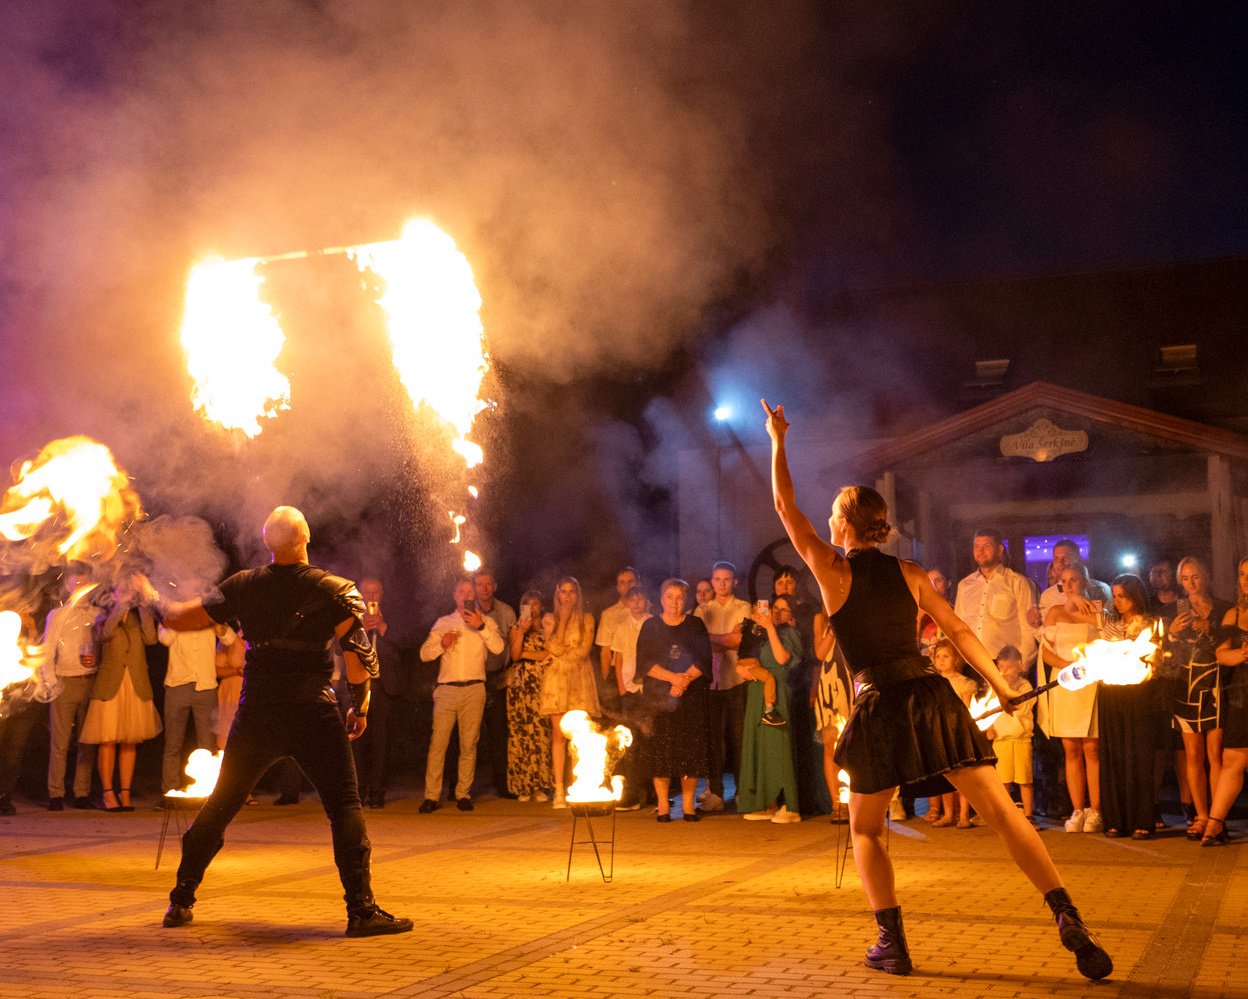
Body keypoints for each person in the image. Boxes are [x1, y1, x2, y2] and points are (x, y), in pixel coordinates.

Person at [763, 398, 1111, 981]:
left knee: (868, 830)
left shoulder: (832, 568)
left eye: (831, 515)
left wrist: (777, 441)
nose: (825, 522)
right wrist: (1000, 686)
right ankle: (1065, 912)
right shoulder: (910, 572)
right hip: (930, 698)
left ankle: (891, 944)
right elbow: (957, 631)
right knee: (1004, 814)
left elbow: (782, 504)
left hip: (878, 708)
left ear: (846, 524)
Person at [138, 506, 410, 936]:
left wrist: (150, 597)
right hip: (312, 712)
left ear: (268, 543)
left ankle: (180, 900)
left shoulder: (243, 586)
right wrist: (360, 703)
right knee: (344, 808)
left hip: (258, 711)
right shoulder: (333, 589)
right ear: (305, 538)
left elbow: (180, 619)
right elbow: (357, 656)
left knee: (221, 805)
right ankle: (361, 910)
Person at [419, 578, 504, 813]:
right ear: (455, 595)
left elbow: (498, 648)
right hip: (446, 690)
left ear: (474, 595)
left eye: (470, 591)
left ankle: (463, 793)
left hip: (475, 688)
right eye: (461, 591)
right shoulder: (444, 622)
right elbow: (425, 654)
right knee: (438, 744)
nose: (466, 594)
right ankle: (431, 796)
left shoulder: (486, 621)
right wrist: (442, 645)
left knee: (469, 744)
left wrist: (481, 627)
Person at [80, 579, 162, 812]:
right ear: (114, 594)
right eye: (122, 590)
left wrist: (145, 605)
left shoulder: (139, 617)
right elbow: (105, 634)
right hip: (110, 686)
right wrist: (122, 606)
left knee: (129, 742)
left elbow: (151, 639)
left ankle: (125, 793)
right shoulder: (103, 617)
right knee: (107, 740)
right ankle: (108, 794)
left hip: (135, 685)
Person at [1168, 555, 1232, 842]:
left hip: (1215, 683)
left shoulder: (1223, 608)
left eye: (1195, 576)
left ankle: (1218, 817)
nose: (1191, 583)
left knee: (1214, 753)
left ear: (1205, 576)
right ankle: (1200, 814)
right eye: (1185, 578)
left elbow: (1230, 644)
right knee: (1192, 754)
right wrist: (1171, 633)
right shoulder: (1174, 610)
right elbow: (1161, 648)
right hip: (1184, 684)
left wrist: (1211, 630)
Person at [638, 578, 712, 822]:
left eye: (680, 597)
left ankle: (689, 806)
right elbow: (644, 664)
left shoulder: (696, 624)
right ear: (661, 600)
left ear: (686, 599)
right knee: (661, 750)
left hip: (690, 698)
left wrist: (684, 681)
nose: (675, 602)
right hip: (659, 698)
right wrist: (673, 679)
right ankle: (663, 806)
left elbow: (703, 660)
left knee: (689, 750)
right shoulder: (650, 626)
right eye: (669, 597)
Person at [1038, 565, 1105, 834]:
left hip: (1090, 681)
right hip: (1065, 681)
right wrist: (1067, 668)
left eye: (1074, 580)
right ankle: (1077, 808)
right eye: (1064, 582)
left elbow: (1107, 636)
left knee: (1091, 748)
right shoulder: (1054, 612)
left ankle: (1096, 809)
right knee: (1071, 749)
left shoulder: (1098, 610)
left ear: (1086, 581)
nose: (1069, 586)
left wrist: (1083, 606)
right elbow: (1045, 652)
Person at [1097, 575, 1163, 839]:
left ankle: (1142, 820)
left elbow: (1155, 663)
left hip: (1138, 694)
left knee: (1138, 754)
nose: (1118, 601)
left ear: (1136, 596)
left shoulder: (1150, 624)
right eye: (1115, 596)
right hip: (1111, 692)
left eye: (1123, 595)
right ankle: (1114, 819)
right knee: (1113, 754)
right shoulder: (1109, 623)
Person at [37, 567, 100, 810]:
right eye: (76, 585)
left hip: (90, 681)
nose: (81, 590)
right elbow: (47, 649)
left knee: (87, 741)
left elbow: (104, 646)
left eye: (85, 585)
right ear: (69, 587)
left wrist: (99, 660)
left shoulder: (98, 613)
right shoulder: (58, 615)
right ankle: (56, 793)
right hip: (64, 681)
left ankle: (82, 793)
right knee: (60, 741)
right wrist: (52, 681)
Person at [737, 594, 803, 823]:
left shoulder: (789, 634)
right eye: (775, 608)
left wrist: (772, 629)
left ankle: (791, 806)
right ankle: (766, 803)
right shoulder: (759, 633)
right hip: (757, 693)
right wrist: (742, 669)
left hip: (778, 695)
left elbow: (782, 658)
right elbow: (746, 656)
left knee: (779, 747)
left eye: (784, 609)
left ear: (791, 615)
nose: (778, 612)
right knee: (760, 748)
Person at [539, 576, 600, 808]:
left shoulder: (587, 618)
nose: (567, 596)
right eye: (563, 592)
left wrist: (563, 653)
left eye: (571, 591)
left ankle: (579, 785)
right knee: (558, 735)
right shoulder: (549, 619)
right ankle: (558, 791)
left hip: (579, 678)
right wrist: (562, 621)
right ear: (557, 594)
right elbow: (552, 646)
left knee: (580, 734)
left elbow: (583, 651)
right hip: (557, 682)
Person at [695, 561, 751, 812]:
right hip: (711, 681)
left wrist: (715, 640)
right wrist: (725, 639)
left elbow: (739, 640)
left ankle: (742, 791)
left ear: (735, 581)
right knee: (713, 740)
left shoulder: (744, 607)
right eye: (717, 579)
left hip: (736, 680)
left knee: (738, 738)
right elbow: (699, 645)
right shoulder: (702, 611)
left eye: (726, 579)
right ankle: (715, 792)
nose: (721, 583)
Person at [158, 618, 230, 794]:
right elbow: (165, 639)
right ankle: (169, 790)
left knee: (207, 744)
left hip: (206, 686)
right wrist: (183, 618)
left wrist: (212, 621)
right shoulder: (173, 613)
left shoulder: (210, 614)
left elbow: (229, 638)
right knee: (173, 743)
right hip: (177, 685)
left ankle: (208, 791)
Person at [1205, 556, 1248, 846]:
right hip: (1241, 694)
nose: (1246, 580)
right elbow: (1222, 655)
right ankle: (1214, 824)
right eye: (1243, 575)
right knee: (1232, 758)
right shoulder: (1234, 614)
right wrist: (1244, 654)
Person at [351, 577, 403, 809]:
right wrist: (361, 628)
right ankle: (358, 791)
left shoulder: (394, 616)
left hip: (383, 687)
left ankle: (377, 791)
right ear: (360, 594)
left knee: (381, 744)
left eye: (376, 592)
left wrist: (383, 628)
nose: (371, 597)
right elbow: (337, 646)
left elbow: (406, 642)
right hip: (358, 686)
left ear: (382, 594)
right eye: (367, 592)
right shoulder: (351, 615)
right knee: (357, 742)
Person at [954, 529, 1038, 668]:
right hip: (971, 662)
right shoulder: (965, 585)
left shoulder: (1018, 582)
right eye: (976, 546)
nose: (980, 551)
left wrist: (1023, 665)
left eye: (986, 546)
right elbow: (959, 626)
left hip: (1006, 664)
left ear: (999, 549)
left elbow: (1028, 627)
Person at [505, 590, 553, 801]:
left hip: (542, 682)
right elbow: (515, 655)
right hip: (520, 685)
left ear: (541, 606)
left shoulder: (547, 627)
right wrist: (522, 633)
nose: (532, 608)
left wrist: (529, 654)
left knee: (541, 733)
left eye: (535, 604)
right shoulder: (516, 628)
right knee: (520, 733)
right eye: (527, 604)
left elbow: (549, 653)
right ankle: (523, 785)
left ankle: (540, 786)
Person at [473, 569, 516, 799]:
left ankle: (502, 784)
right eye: (480, 585)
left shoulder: (506, 611)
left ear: (495, 586)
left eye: (488, 584)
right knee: (468, 735)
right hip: (474, 677)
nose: (485, 588)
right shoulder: (468, 611)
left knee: (499, 734)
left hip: (498, 678)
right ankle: (459, 787)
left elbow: (512, 642)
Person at [609, 586, 652, 810]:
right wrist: (622, 689)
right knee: (631, 741)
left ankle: (654, 791)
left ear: (647, 601)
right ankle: (632, 792)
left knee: (652, 739)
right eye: (632, 599)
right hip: (629, 689)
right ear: (626, 602)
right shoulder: (622, 626)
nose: (636, 603)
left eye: (640, 598)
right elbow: (618, 659)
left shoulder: (654, 623)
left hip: (650, 688)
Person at [928, 639, 978, 828]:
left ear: (956, 659)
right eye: (938, 656)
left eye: (946, 656)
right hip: (939, 733)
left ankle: (964, 814)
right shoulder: (933, 683)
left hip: (957, 733)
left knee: (961, 777)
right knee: (945, 776)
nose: (941, 660)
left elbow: (966, 709)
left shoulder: (963, 683)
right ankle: (948, 814)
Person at [984, 645, 1035, 823]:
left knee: (1024, 779)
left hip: (1021, 739)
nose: (1004, 672)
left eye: (1009, 668)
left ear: (1019, 666)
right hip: (1001, 739)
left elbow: (1023, 708)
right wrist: (989, 728)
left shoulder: (1024, 686)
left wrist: (1008, 689)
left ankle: (1028, 815)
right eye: (1001, 668)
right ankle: (1006, 815)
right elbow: (989, 710)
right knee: (1003, 780)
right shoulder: (995, 687)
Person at [594, 567, 640, 712]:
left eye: (631, 581)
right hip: (618, 672)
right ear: (618, 587)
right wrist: (608, 681)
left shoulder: (652, 611)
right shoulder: (609, 614)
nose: (627, 585)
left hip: (644, 672)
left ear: (638, 583)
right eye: (622, 582)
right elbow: (605, 652)